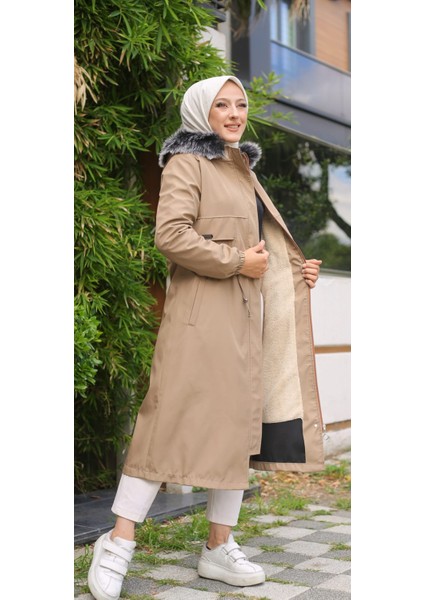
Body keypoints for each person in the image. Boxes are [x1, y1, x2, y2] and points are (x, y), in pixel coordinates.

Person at [87, 75, 324, 600]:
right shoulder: (187, 162)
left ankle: (219, 546)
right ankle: (118, 540)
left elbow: (261, 248)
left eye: (241, 105)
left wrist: (294, 270)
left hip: (245, 319)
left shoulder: (243, 170)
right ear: (201, 111)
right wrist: (237, 261)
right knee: (166, 422)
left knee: (235, 429)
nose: (235, 113)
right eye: (222, 105)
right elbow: (171, 235)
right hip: (198, 319)